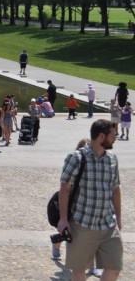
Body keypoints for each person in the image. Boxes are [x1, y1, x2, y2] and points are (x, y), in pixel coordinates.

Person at [57, 119, 122, 280]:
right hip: (82, 225)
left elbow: (115, 189)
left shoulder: (112, 159)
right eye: (113, 134)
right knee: (79, 270)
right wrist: (63, 219)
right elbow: (64, 189)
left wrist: (119, 217)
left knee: (114, 268)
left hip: (108, 224)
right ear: (101, 136)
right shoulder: (76, 158)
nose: (115, 138)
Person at [51, 138, 103, 278]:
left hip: (87, 210)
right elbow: (65, 188)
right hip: (73, 206)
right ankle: (57, 244)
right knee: (67, 234)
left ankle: (92, 266)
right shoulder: (75, 163)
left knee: (90, 238)